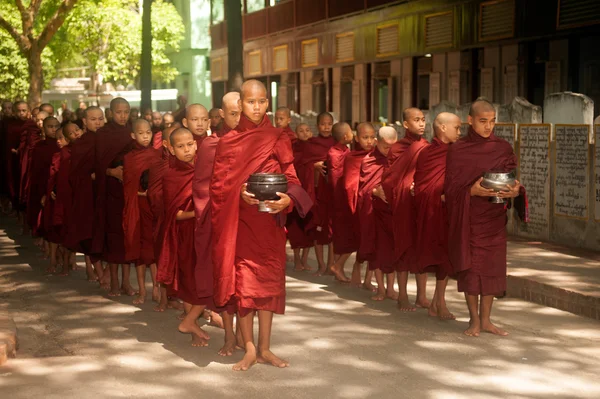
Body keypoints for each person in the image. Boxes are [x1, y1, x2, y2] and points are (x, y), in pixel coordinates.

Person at [210, 79, 311, 371]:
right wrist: (237, 193)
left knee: (268, 285)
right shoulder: (228, 141)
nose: (256, 107)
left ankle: (265, 348)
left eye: (262, 101)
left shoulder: (278, 136)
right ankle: (250, 348)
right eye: (251, 102)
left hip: (269, 223)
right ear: (240, 104)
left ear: (268, 102)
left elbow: (292, 178)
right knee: (244, 286)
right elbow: (218, 188)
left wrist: (287, 202)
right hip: (240, 224)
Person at [444, 99, 520, 337]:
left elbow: (513, 179)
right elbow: (450, 188)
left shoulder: (503, 148)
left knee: (491, 269)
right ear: (470, 120)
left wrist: (516, 191)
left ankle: (487, 319)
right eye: (483, 121)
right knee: (472, 269)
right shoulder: (458, 149)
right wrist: (471, 191)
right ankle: (474, 320)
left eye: (493, 121)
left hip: (494, 218)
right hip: (470, 219)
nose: (489, 127)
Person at [157, 127, 214, 346]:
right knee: (191, 283)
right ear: (171, 149)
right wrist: (200, 212)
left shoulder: (204, 168)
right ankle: (192, 326)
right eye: (180, 147)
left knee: (208, 278)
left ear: (196, 143)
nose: (187, 150)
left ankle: (192, 323)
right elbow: (176, 215)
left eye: (190, 144)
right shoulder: (172, 176)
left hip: (207, 232)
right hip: (186, 235)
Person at [414, 112, 462, 320]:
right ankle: (438, 303)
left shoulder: (457, 153)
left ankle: (437, 301)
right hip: (434, 210)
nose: (460, 132)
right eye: (457, 128)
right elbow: (422, 185)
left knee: (447, 258)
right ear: (442, 128)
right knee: (441, 256)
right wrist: (439, 194)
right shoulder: (427, 153)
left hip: (451, 211)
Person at [382, 108, 430, 311]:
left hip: (422, 204)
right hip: (403, 204)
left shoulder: (427, 147)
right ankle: (403, 295)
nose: (421, 124)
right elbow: (390, 179)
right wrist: (407, 186)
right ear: (405, 124)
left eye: (423, 120)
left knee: (422, 249)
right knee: (403, 248)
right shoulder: (398, 148)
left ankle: (421, 296)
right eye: (416, 120)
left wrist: (422, 186)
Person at [92, 98, 136, 297]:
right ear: (110, 113)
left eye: (126, 112)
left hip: (128, 192)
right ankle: (115, 283)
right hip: (110, 191)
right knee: (113, 237)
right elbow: (96, 165)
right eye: (119, 112)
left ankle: (127, 283)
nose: (123, 116)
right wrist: (111, 172)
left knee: (128, 237)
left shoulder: (132, 133)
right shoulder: (103, 134)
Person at [332, 123, 377, 287]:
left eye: (372, 137)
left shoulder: (376, 155)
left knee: (370, 240)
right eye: (365, 138)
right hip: (358, 203)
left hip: (373, 202)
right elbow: (349, 184)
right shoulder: (353, 157)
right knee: (361, 239)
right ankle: (343, 267)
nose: (369, 141)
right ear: (357, 138)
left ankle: (365, 278)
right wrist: (357, 201)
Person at [123, 119, 162, 304]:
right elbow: (127, 185)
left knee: (152, 250)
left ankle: (155, 287)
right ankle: (141, 291)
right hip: (137, 207)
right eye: (141, 133)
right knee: (138, 252)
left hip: (152, 207)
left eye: (148, 132)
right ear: (133, 135)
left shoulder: (156, 155)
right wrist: (139, 192)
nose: (146, 136)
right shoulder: (129, 158)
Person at [358, 126, 398, 299]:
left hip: (393, 211)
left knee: (393, 251)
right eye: (385, 146)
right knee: (377, 252)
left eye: (392, 146)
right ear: (377, 142)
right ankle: (381, 288)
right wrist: (375, 191)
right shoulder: (369, 160)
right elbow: (363, 188)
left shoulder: (398, 158)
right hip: (375, 212)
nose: (389, 150)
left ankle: (391, 288)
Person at [68, 106, 106, 286]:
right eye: (93, 119)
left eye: (100, 118)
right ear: (84, 121)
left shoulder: (109, 140)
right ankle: (99, 271)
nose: (98, 122)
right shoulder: (81, 144)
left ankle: (109, 273)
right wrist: (90, 176)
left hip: (107, 192)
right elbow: (74, 174)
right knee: (90, 232)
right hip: (88, 194)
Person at [299, 112, 336, 275]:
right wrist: (314, 166)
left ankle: (330, 265)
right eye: (323, 124)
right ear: (317, 125)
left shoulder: (337, 142)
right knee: (317, 229)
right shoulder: (310, 144)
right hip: (315, 192)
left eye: (329, 124)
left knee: (332, 230)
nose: (326, 127)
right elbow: (302, 164)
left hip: (332, 192)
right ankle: (321, 264)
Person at [54, 123, 83, 276]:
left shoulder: (86, 148)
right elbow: (63, 179)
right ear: (67, 138)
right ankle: (65, 265)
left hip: (81, 196)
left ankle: (76, 264)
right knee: (67, 232)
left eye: (77, 130)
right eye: (72, 133)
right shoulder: (65, 154)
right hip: (68, 197)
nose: (76, 134)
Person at [26, 116, 60, 240]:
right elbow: (36, 172)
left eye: (57, 126)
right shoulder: (39, 147)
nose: (54, 130)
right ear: (43, 128)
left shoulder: (62, 146)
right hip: (42, 186)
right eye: (50, 127)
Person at [325, 122, 352, 279]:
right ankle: (337, 265)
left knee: (343, 236)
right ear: (345, 136)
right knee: (349, 236)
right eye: (351, 132)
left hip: (344, 198)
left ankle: (336, 266)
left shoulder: (346, 150)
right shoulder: (334, 153)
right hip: (339, 200)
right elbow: (336, 179)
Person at [286, 123, 314, 271]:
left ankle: (305, 259)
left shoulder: (313, 148)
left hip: (310, 192)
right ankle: (297, 259)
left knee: (309, 227)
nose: (305, 133)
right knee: (296, 228)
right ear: (296, 134)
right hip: (296, 191)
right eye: (301, 131)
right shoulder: (293, 148)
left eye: (307, 130)